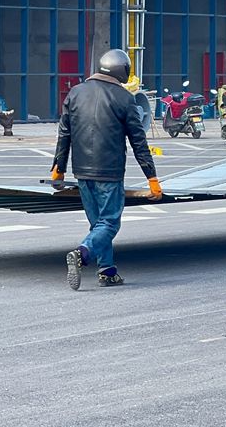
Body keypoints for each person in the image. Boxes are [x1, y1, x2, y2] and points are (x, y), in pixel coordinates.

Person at [50, 49, 162, 290]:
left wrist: (59, 168)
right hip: (109, 172)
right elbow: (139, 142)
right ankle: (82, 254)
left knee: (98, 225)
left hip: (82, 172)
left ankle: (107, 271)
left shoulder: (75, 92)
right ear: (122, 70)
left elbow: (64, 134)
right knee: (110, 223)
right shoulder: (124, 98)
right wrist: (152, 178)